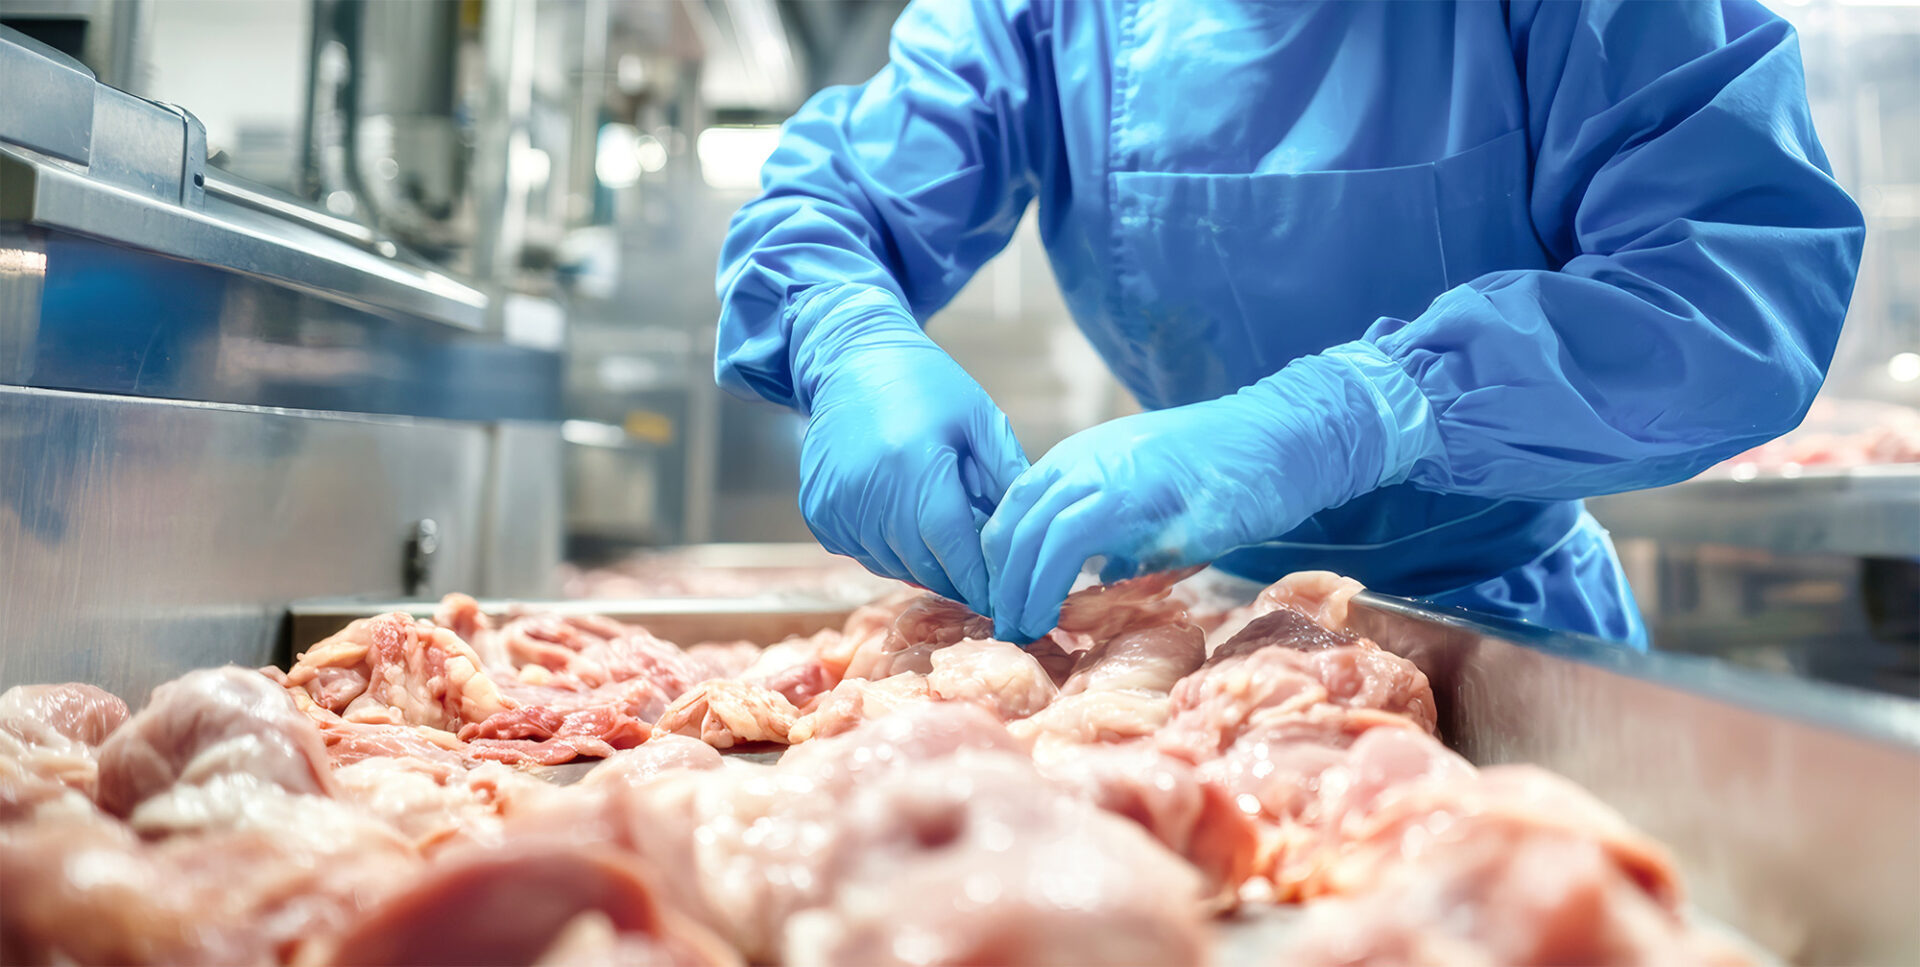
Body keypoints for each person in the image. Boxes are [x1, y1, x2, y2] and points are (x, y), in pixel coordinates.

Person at [714, 0, 1864, 648]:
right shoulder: (1043, 19)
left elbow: (1729, 285)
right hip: (1182, 636)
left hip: (1517, 630)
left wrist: (1363, 412)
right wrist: (848, 336)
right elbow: (830, 203)